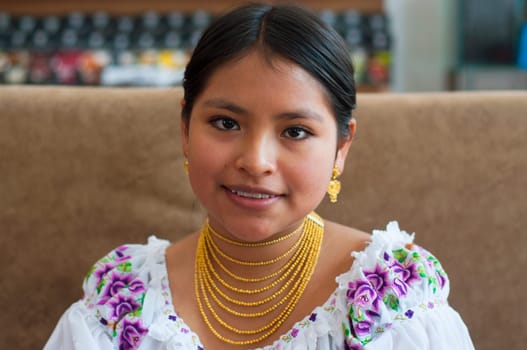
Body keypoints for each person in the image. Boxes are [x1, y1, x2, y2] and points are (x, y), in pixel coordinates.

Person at [45, 3, 474, 349]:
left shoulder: (393, 302)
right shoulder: (119, 304)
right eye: (226, 123)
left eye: (295, 132)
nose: (256, 161)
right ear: (185, 129)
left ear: (342, 147)